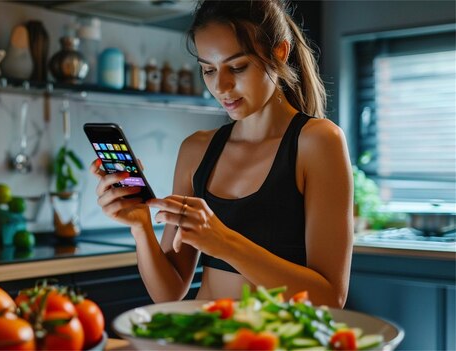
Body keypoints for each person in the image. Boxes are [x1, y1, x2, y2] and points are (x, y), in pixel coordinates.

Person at [90, 0, 353, 308]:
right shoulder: (196, 149)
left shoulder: (318, 142)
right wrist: (141, 227)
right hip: (206, 336)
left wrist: (224, 242)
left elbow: (330, 298)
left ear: (279, 52)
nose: (221, 86)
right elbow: (168, 292)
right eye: (208, 70)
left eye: (238, 67)